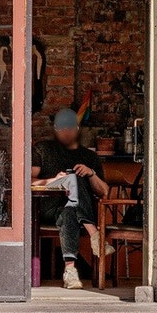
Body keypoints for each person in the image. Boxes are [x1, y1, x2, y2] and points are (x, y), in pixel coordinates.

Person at [32, 109, 109, 289]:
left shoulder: (89, 156)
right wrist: (55, 181)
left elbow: (104, 191)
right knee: (71, 179)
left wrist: (91, 173)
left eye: (70, 127)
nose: (66, 131)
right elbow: (28, 181)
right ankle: (94, 234)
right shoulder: (42, 149)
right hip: (48, 207)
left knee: (69, 210)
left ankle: (70, 271)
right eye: (61, 127)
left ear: (77, 128)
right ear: (55, 129)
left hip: (69, 211)